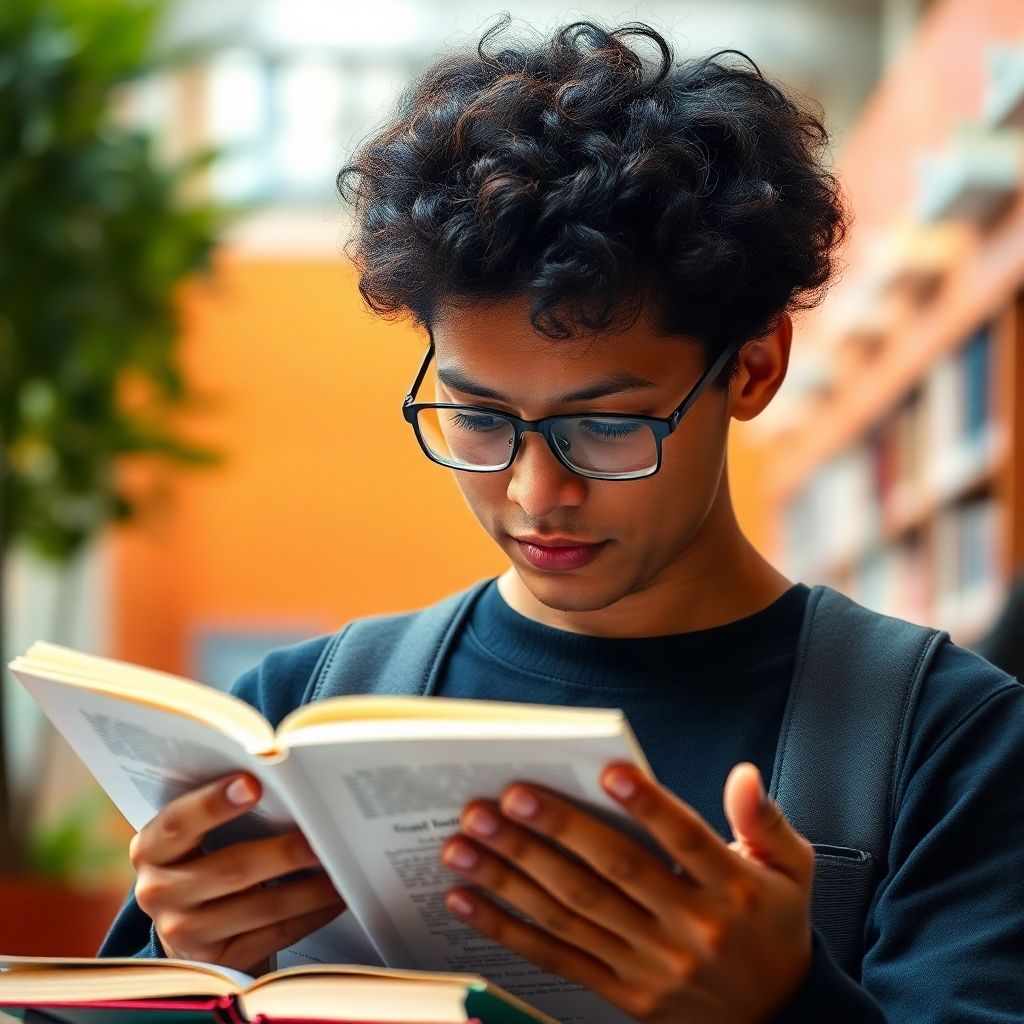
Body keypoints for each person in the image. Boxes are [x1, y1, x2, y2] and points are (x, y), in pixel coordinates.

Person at [100, 18, 1024, 1022]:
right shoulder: (294, 708)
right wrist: (185, 955)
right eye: (479, 417)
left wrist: (788, 1004)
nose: (536, 493)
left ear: (753, 367)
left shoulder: (951, 742)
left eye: (607, 426)